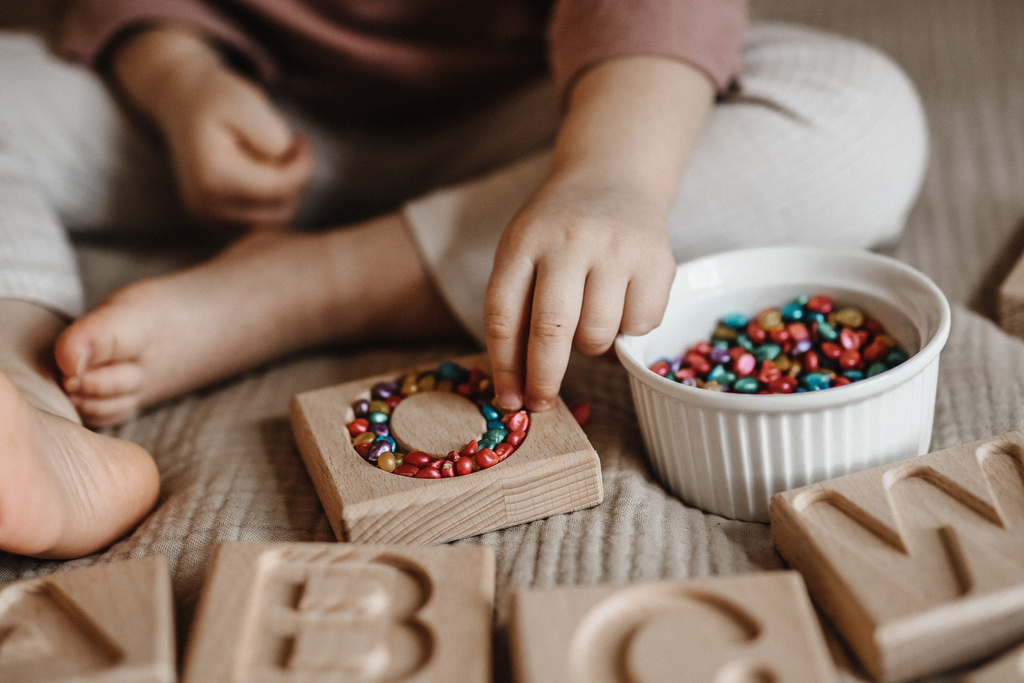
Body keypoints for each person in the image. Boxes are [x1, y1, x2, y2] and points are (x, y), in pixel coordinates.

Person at [0, 0, 928, 558]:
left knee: (856, 118)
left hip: (548, 110)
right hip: (244, 113)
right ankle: (26, 392)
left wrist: (612, 172)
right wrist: (180, 77)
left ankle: (314, 284)